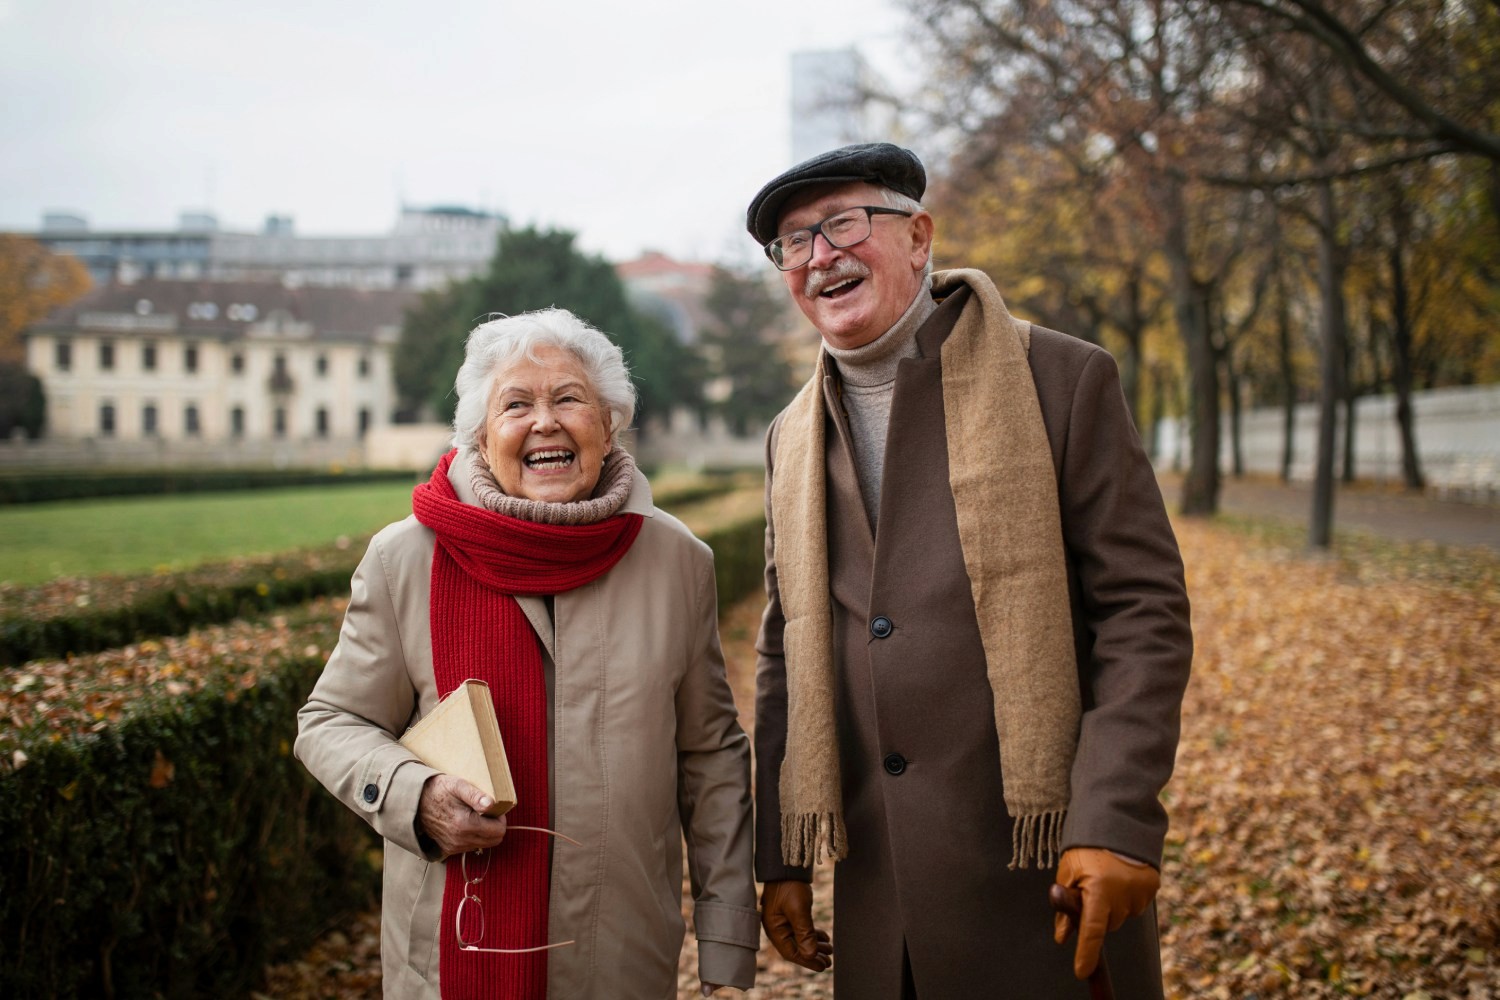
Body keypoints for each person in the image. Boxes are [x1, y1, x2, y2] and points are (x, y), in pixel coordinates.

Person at [747, 142, 1193, 998]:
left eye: (843, 224)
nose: (820, 256)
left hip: (1050, 884)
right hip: (882, 906)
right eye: (794, 244)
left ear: (919, 237)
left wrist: (1118, 817)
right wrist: (783, 854)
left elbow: (1143, 613)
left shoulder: (1061, 378)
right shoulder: (788, 437)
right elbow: (784, 653)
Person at [295, 307, 758, 999]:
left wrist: (726, 933)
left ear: (609, 424)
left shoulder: (676, 563)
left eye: (569, 398)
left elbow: (711, 755)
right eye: (517, 404)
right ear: (482, 435)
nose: (545, 422)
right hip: (450, 956)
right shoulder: (405, 558)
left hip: (621, 955)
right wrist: (413, 795)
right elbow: (329, 722)